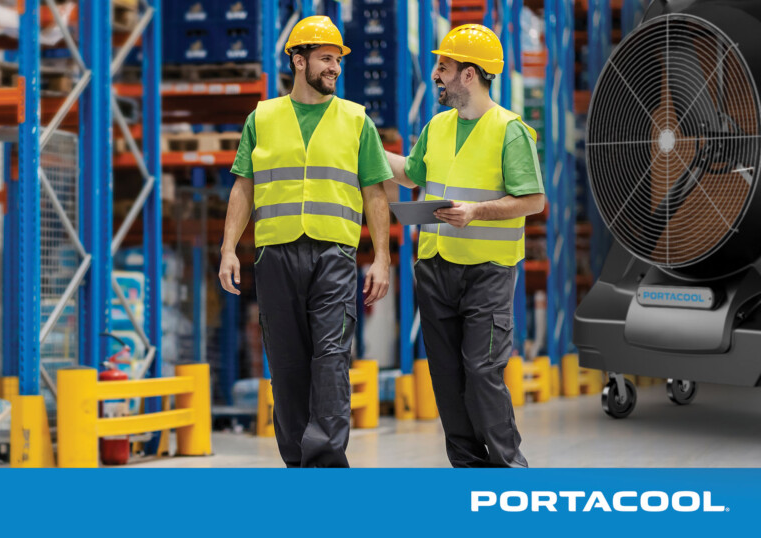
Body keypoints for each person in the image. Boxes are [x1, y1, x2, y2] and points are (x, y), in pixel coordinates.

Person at [218, 16, 393, 468]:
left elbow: (375, 191)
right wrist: (227, 250)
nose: (335, 67)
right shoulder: (263, 116)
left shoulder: (357, 120)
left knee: (331, 359)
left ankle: (327, 465)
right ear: (299, 60)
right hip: (274, 254)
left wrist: (382, 259)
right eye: (326, 58)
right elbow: (244, 186)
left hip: (334, 255)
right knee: (288, 365)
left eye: (337, 60)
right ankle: (298, 464)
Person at [385, 24, 545, 468]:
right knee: (448, 378)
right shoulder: (437, 126)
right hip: (435, 268)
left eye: (444, 66)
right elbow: (412, 176)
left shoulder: (510, 130)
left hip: (486, 271)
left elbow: (533, 200)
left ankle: (510, 472)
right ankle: (469, 475)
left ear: (469, 74)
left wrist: (476, 211)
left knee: (481, 372)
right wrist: (364, 149)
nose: (436, 74)